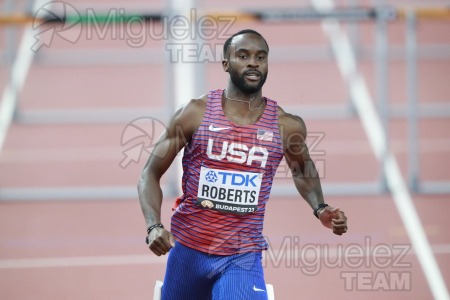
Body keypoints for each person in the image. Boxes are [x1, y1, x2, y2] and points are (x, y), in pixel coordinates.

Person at [138, 29, 348, 300]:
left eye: (261, 57)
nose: (253, 62)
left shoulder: (286, 126)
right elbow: (149, 174)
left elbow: (302, 168)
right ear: (225, 63)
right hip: (188, 251)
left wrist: (320, 207)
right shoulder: (194, 114)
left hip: (241, 256)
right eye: (243, 55)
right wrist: (154, 226)